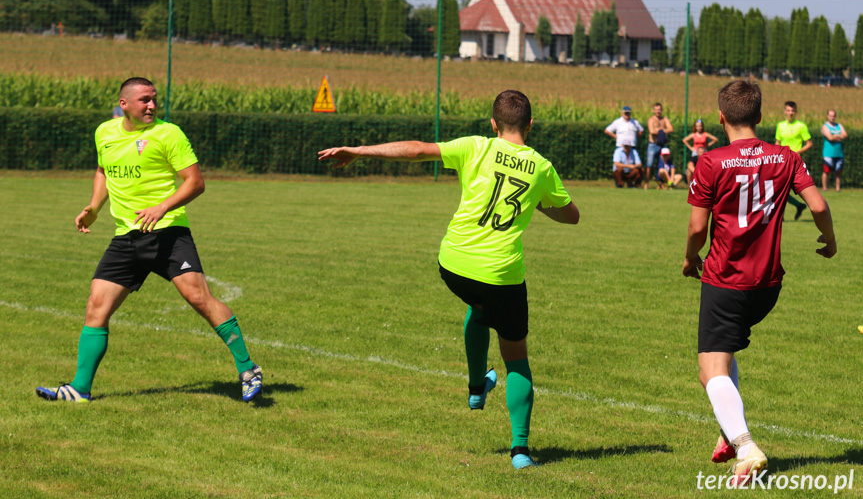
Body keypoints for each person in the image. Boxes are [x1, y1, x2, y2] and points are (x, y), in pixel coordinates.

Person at [318, 90, 580, 469]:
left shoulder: (475, 147)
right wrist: (538, 201)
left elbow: (416, 149)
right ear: (531, 125)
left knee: (478, 306)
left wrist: (358, 151)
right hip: (501, 274)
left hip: (454, 265)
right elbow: (571, 215)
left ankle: (477, 388)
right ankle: (520, 451)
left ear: (493, 124)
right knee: (516, 357)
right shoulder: (541, 168)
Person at [36, 77, 262, 403]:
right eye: (144, 100)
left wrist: (163, 206)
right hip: (126, 237)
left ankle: (248, 368)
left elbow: (195, 182)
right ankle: (79, 389)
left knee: (199, 298)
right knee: (96, 307)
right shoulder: (105, 133)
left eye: (154, 99)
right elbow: (103, 170)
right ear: (124, 104)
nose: (152, 105)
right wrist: (94, 208)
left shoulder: (168, 133)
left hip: (168, 232)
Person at [683, 80, 836, 488]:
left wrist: (689, 257)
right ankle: (729, 433)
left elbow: (698, 228)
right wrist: (830, 239)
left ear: (720, 117)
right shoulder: (785, 157)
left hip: (726, 279)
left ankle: (746, 446)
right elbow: (818, 205)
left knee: (709, 369)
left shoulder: (712, 161)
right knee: (727, 352)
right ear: (761, 116)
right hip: (767, 284)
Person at [775, 101, 812, 220]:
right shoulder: (780, 125)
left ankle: (784, 214)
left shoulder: (801, 126)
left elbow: (809, 144)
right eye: (788, 110)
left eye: (792, 111)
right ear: (784, 112)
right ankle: (797, 206)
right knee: (780, 188)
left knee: (783, 188)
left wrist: (796, 153)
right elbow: (777, 143)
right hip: (782, 161)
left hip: (795, 162)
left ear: (796, 112)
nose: (790, 113)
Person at [644, 102, 674, 189]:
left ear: (661, 110)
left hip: (662, 145)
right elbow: (652, 131)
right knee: (649, 165)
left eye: (659, 110)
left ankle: (662, 184)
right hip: (653, 145)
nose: (658, 111)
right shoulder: (651, 120)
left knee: (662, 165)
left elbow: (671, 129)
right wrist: (663, 130)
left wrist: (660, 130)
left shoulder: (665, 119)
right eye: (656, 110)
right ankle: (646, 183)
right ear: (653, 110)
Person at [683, 119, 719, 184]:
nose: (699, 127)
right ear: (695, 127)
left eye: (700, 126)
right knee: (691, 166)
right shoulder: (693, 135)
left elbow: (715, 139)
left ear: (702, 126)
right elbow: (684, 140)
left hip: (704, 152)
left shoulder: (705, 134)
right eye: (697, 126)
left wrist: (707, 145)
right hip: (695, 152)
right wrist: (691, 148)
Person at [821, 109, 847, 192]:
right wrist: (839, 136)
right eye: (830, 115)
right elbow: (830, 138)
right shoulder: (825, 126)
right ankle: (825, 188)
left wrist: (834, 135)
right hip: (828, 153)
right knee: (826, 171)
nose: (832, 117)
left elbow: (845, 135)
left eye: (833, 116)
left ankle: (838, 189)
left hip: (839, 153)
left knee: (838, 172)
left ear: (835, 116)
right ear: (827, 116)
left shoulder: (839, 125)